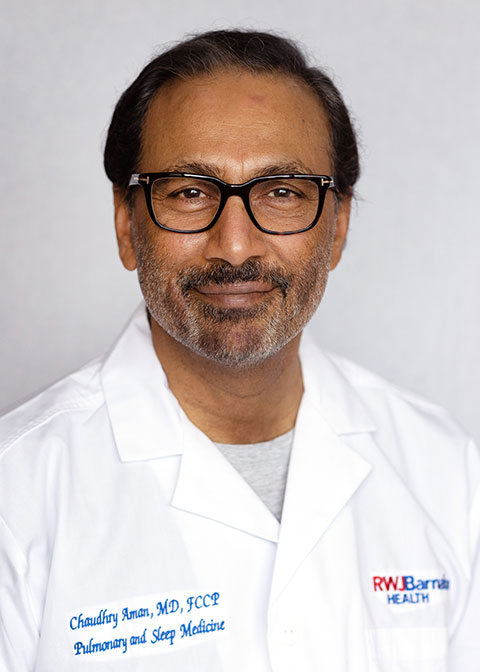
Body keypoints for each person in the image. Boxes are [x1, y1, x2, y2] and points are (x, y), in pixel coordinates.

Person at [0, 29, 478, 672]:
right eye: (189, 191)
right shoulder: (18, 495)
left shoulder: (446, 473)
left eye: (281, 192)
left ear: (338, 226)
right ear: (126, 224)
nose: (233, 246)